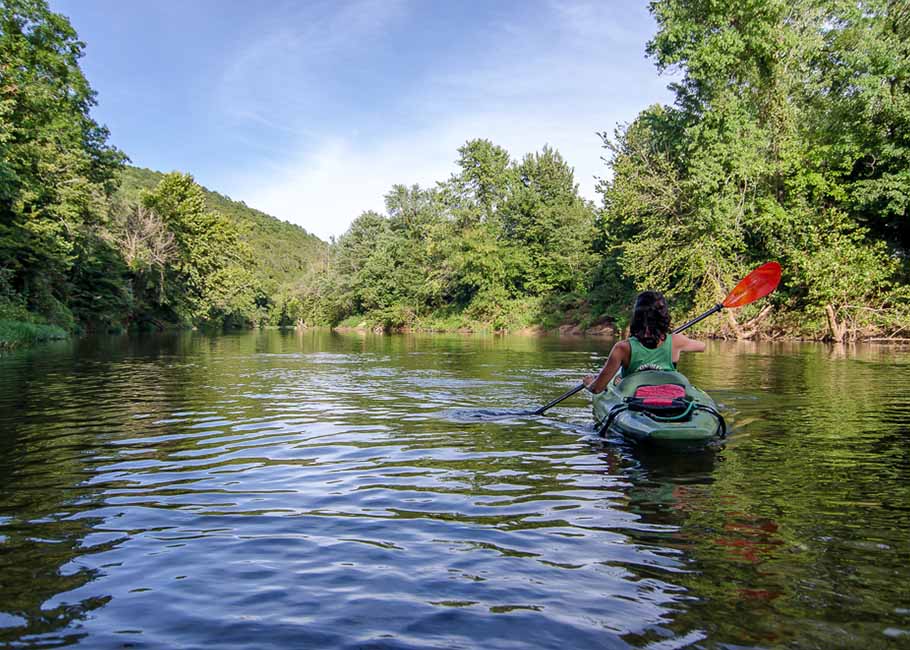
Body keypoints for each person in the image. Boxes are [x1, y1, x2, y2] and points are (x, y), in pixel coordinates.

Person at [582, 291, 705, 394]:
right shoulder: (677, 341)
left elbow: (597, 389)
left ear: (636, 316)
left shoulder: (622, 348)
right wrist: (672, 338)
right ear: (664, 316)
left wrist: (589, 384)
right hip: (671, 398)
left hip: (635, 401)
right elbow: (702, 346)